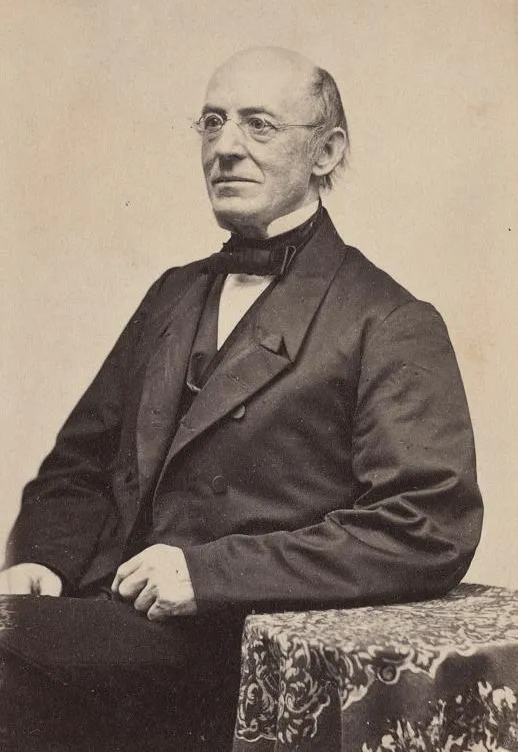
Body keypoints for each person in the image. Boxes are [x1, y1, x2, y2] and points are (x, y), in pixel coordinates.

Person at [0, 47, 482, 750]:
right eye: (213, 122)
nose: (226, 147)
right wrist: (45, 556)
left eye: (259, 125)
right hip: (98, 620)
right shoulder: (172, 293)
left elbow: (425, 524)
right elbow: (78, 465)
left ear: (327, 151)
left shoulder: (388, 320)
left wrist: (207, 572)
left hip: (232, 647)